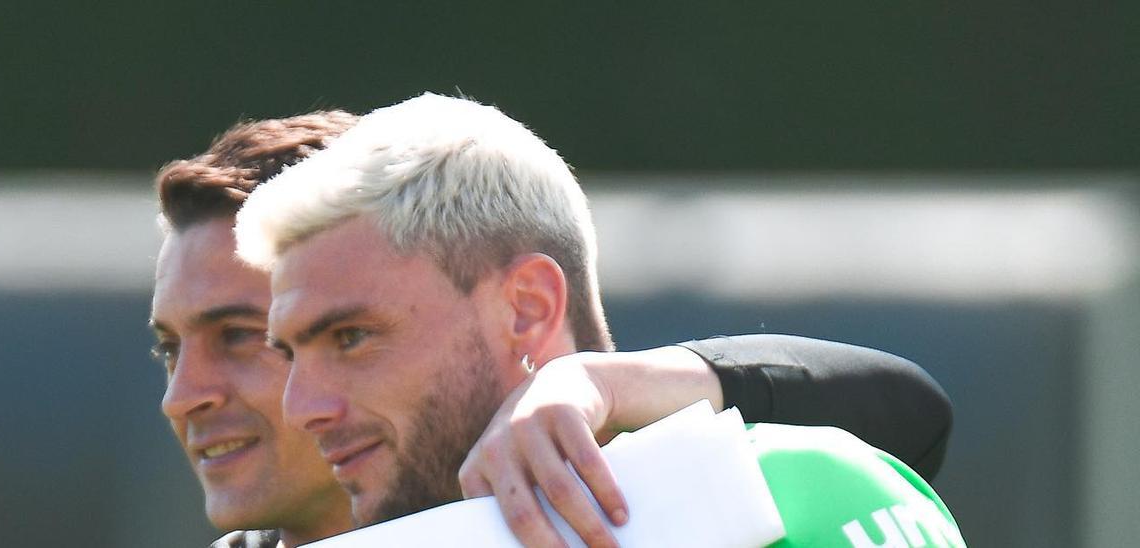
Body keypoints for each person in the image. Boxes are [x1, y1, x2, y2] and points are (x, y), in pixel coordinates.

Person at [152, 110, 951, 547]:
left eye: (351, 336)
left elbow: (905, 419)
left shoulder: (743, 499)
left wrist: (598, 383)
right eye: (287, 349)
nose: (305, 402)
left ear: (527, 308)